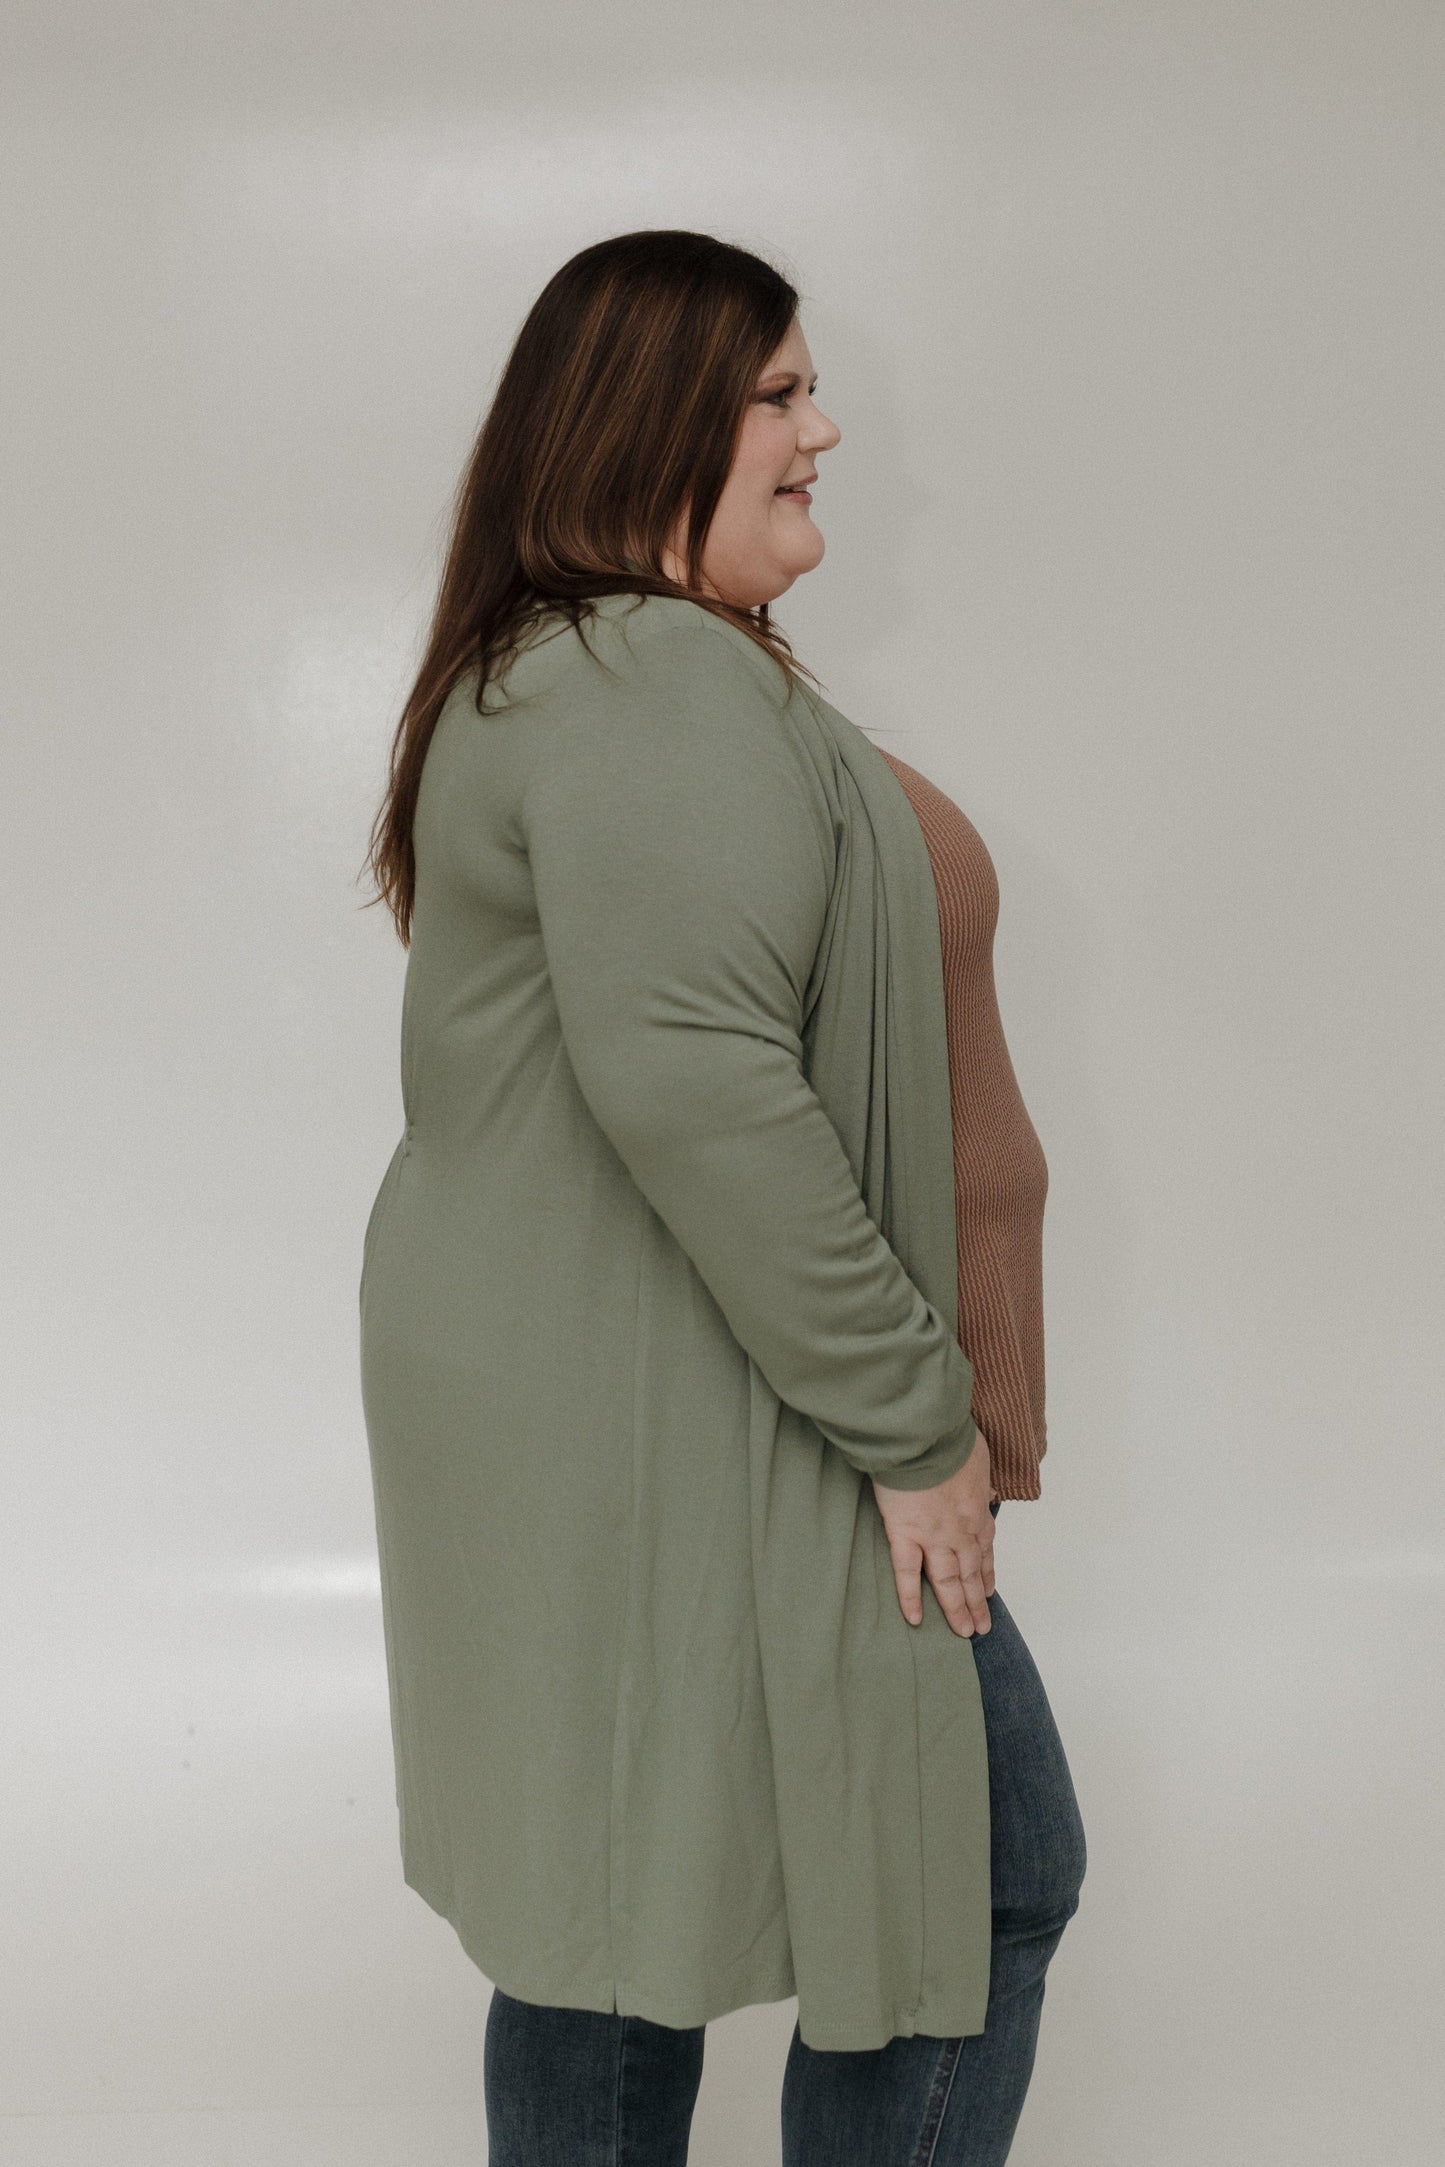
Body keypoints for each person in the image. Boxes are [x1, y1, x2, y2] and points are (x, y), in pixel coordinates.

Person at [359, 228, 1086, 2166]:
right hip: (718, 1404)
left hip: (657, 1395)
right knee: (981, 1882)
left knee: (608, 1920)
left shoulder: (624, 670)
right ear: (647, 421)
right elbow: (701, 1093)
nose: (822, 427)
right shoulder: (643, 681)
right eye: (777, 393)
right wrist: (912, 1418)